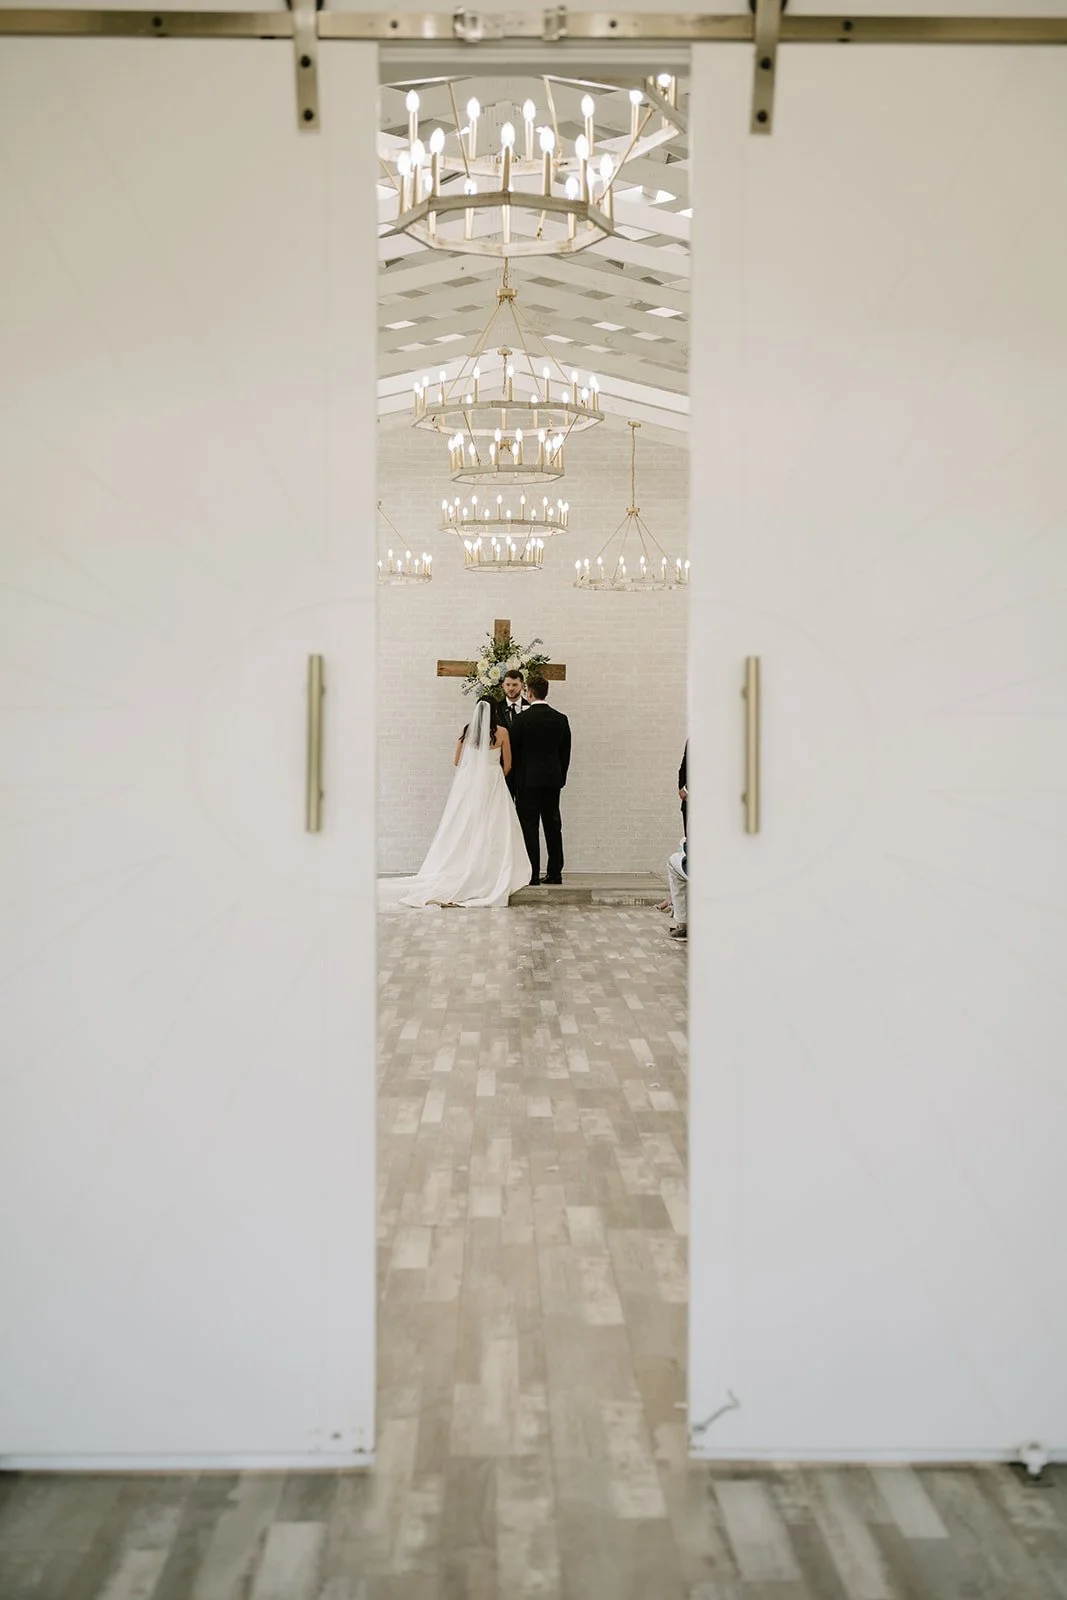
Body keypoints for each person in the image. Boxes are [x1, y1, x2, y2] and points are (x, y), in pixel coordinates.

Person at [389, 697, 531, 908]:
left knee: (465, 825)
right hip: (493, 783)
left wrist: (474, 771)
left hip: (469, 785)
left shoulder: (467, 731)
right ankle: (491, 868)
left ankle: (463, 863)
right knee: (495, 826)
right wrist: (493, 774)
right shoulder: (502, 732)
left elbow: (457, 761)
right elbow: (508, 764)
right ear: (495, 712)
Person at [509, 676, 571, 886]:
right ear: (546, 692)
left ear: (529, 693)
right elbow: (565, 752)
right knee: (553, 825)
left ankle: (532, 873)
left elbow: (514, 753)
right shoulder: (560, 719)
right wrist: (560, 778)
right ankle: (555, 873)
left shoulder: (521, 720)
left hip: (527, 781)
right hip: (553, 780)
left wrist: (516, 780)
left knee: (529, 826)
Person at [499, 669, 527, 796]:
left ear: (522, 685)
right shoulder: (495, 708)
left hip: (525, 769)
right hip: (502, 766)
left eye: (515, 685)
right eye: (508, 685)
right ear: (503, 686)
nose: (511, 688)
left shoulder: (531, 707)